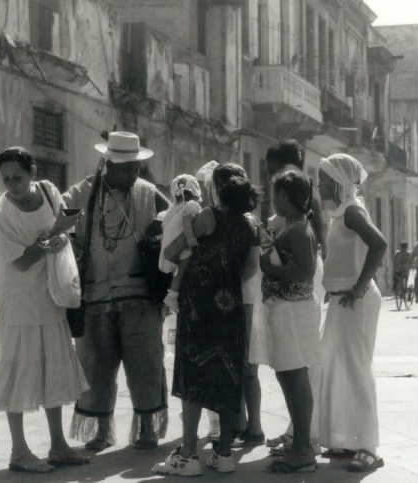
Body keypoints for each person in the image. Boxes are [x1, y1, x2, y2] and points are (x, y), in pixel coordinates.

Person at [0, 147, 89, 473]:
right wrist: (50, 238)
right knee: (18, 370)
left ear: (32, 172)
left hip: (50, 293)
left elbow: (65, 231)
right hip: (19, 301)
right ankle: (19, 451)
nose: (12, 184)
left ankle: (58, 446)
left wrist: (61, 239)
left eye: (18, 177)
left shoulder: (49, 191)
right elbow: (24, 261)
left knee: (52, 366)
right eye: (6, 179)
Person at [64, 132, 170, 451]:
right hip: (95, 299)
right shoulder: (82, 194)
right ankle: (101, 432)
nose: (134, 174)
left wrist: (161, 227)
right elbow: (57, 221)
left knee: (146, 365)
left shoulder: (149, 194)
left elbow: (177, 215)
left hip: (140, 299)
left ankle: (147, 429)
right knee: (95, 367)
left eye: (137, 167)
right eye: (127, 168)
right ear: (107, 164)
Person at [153, 167, 260, 476]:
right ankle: (224, 453)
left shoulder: (209, 216)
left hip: (199, 306)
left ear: (218, 192)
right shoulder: (250, 226)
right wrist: (226, 281)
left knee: (192, 377)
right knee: (227, 377)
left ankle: (188, 456)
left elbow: (172, 253)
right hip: (231, 307)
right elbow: (251, 269)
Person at [314, 154, 387, 472]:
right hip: (343, 301)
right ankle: (347, 439)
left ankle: (368, 447)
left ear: (337, 181)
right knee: (336, 367)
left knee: (356, 369)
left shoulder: (353, 211)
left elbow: (379, 244)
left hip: (356, 301)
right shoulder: (342, 212)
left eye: (323, 178)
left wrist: (358, 288)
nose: (318, 184)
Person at [260, 171, 320, 473]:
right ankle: (300, 442)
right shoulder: (292, 227)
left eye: (275, 194)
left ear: (284, 196)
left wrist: (268, 269)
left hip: (293, 312)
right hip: (285, 311)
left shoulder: (298, 230)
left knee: (295, 377)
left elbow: (305, 272)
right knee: (288, 376)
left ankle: (302, 449)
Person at [159, 174, 202, 312]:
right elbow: (187, 221)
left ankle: (172, 297)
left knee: (178, 272)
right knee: (182, 271)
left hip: (171, 246)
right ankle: (172, 295)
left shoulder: (172, 209)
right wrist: (190, 238)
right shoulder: (192, 206)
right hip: (184, 247)